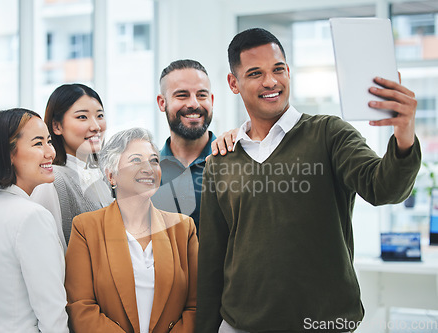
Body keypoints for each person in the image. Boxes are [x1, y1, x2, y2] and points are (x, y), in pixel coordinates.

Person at [196, 28, 422, 333]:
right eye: (255, 73)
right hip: (240, 325)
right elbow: (212, 260)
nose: (271, 81)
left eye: (278, 69)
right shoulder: (222, 159)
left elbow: (385, 188)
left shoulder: (329, 134)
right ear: (233, 83)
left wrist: (404, 132)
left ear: (288, 71)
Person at [65, 128, 198, 333]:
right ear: (111, 176)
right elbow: (81, 307)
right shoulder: (85, 228)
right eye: (136, 160)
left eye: (154, 160)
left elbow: (196, 306)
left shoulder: (183, 227)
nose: (149, 168)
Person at [0, 108, 68, 333]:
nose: (50, 152)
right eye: (38, 143)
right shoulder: (32, 216)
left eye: (49, 141)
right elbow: (52, 315)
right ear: (9, 153)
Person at [31, 83, 113, 247]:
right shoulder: (53, 180)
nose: (96, 126)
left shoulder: (104, 176)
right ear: (57, 126)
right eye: (82, 117)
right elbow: (50, 252)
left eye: (100, 116)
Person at [151, 59, 215, 234]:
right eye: (182, 95)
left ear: (211, 100)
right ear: (162, 102)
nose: (194, 103)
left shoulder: (235, 162)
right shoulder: (147, 173)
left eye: (202, 95)